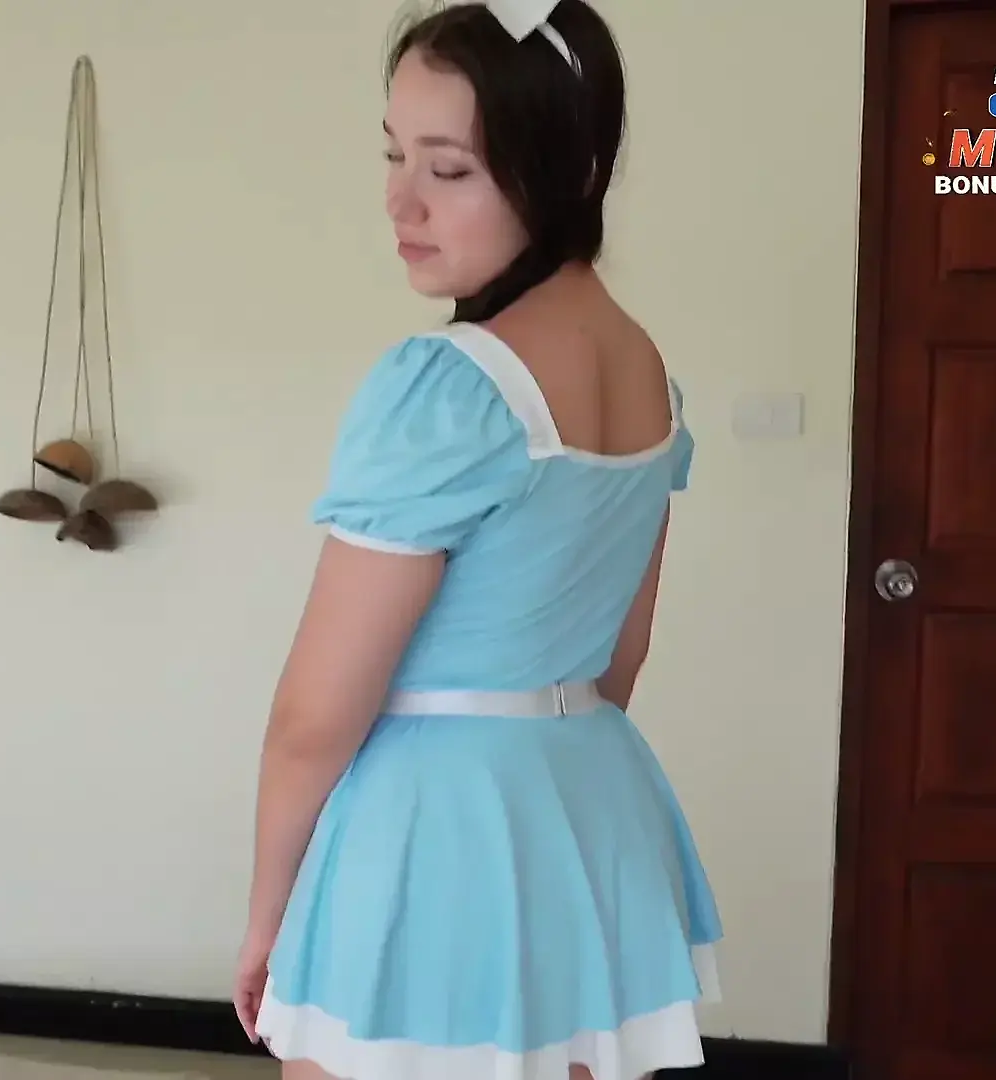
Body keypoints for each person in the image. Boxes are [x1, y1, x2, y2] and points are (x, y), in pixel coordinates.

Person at [234, 2, 723, 1078]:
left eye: (448, 169)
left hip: (433, 824)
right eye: (394, 155)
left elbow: (315, 717)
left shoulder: (447, 389)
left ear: (564, 173)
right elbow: (620, 660)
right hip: (590, 801)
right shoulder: (650, 377)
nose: (400, 201)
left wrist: (272, 915)